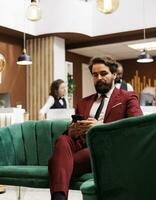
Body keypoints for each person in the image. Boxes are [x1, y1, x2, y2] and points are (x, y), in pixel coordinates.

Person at [48, 56, 143, 200]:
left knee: (55, 162)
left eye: (103, 74)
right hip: (82, 145)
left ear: (114, 75)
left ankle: (58, 176)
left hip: (108, 149)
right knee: (62, 139)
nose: (99, 78)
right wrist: (72, 131)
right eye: (95, 74)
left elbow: (137, 127)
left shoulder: (127, 97)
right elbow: (73, 130)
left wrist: (102, 127)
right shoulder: (83, 102)